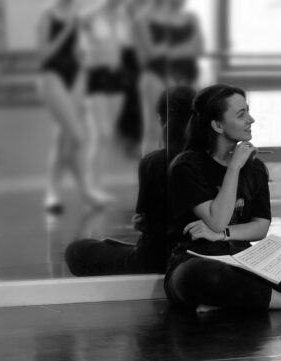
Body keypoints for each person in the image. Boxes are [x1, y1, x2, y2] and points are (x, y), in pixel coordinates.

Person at [165, 84, 281, 313]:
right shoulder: (187, 166)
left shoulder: (254, 167)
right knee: (207, 277)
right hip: (196, 260)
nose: (251, 119)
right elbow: (216, 219)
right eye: (241, 114)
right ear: (217, 125)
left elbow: (260, 227)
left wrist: (223, 235)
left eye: (248, 111)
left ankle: (232, 301)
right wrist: (234, 167)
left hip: (244, 259)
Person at [65, 86, 196, 276]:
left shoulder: (155, 162)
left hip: (155, 260)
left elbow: (144, 221)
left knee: (76, 250)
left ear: (162, 120)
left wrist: (145, 220)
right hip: (192, 255)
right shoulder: (210, 157)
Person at [38, 0, 108, 213]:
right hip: (52, 76)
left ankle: (53, 193)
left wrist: (83, 45)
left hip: (76, 75)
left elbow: (82, 47)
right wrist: (68, 27)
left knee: (63, 138)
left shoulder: (78, 14)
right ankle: (84, 190)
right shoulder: (48, 15)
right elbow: (45, 54)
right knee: (77, 137)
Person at [78, 0, 134, 200]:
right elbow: (79, 29)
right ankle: (90, 186)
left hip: (116, 77)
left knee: (108, 134)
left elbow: (126, 45)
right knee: (100, 134)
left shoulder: (122, 17)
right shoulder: (91, 15)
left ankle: (97, 185)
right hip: (97, 76)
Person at [136, 0, 204, 156]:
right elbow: (151, 53)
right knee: (154, 129)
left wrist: (166, 49)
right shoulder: (143, 19)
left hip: (188, 77)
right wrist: (186, 47)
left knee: (189, 128)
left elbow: (198, 47)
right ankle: (150, 176)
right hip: (156, 76)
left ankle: (183, 172)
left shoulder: (190, 17)